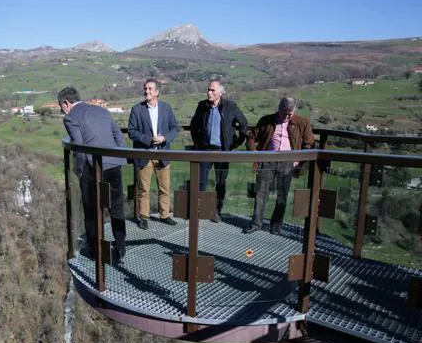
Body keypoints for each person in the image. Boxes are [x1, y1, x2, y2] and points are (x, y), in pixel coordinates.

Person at [59, 87, 126, 260]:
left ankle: (96, 251)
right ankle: (120, 245)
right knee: (116, 206)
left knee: (92, 209)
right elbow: (118, 136)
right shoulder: (101, 111)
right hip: (114, 165)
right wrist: (119, 158)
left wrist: (79, 171)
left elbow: (80, 148)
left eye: (61, 106)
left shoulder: (71, 118)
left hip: (92, 168)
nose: (61, 110)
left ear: (66, 103)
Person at [244, 97, 315, 235]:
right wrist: (254, 153)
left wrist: (298, 161)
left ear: (294, 111)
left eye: (290, 114)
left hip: (288, 162)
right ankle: (256, 224)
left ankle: (276, 227)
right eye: (284, 113)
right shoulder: (267, 120)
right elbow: (251, 136)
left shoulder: (302, 122)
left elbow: (309, 143)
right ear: (279, 108)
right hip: (267, 161)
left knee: (282, 196)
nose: (287, 117)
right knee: (260, 193)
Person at [190, 79, 248, 221]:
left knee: (220, 182)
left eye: (212, 90)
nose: (209, 92)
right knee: (201, 181)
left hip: (223, 151)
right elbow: (193, 126)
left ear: (221, 93)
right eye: (208, 89)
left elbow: (244, 124)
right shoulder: (202, 106)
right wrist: (198, 143)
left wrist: (235, 144)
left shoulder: (231, 106)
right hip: (205, 150)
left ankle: (216, 211)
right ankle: (200, 210)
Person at [128, 78, 180, 230]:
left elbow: (174, 128)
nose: (147, 91)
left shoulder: (166, 108)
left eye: (150, 89)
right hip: (145, 155)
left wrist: (164, 138)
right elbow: (132, 131)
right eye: (145, 88)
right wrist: (149, 140)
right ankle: (144, 217)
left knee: (164, 188)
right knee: (144, 189)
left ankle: (164, 215)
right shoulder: (136, 109)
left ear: (157, 92)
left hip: (163, 154)